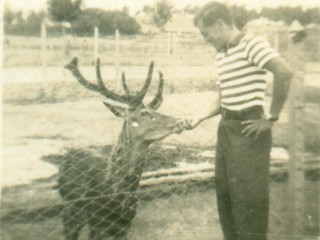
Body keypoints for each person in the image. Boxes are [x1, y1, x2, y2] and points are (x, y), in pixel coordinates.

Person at [180, 2, 293, 240]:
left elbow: (284, 72)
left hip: (249, 131)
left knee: (248, 203)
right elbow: (224, 97)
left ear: (220, 25)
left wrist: (271, 118)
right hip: (227, 130)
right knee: (227, 198)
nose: (205, 40)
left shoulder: (252, 44)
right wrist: (199, 117)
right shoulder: (221, 55)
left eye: (205, 33)